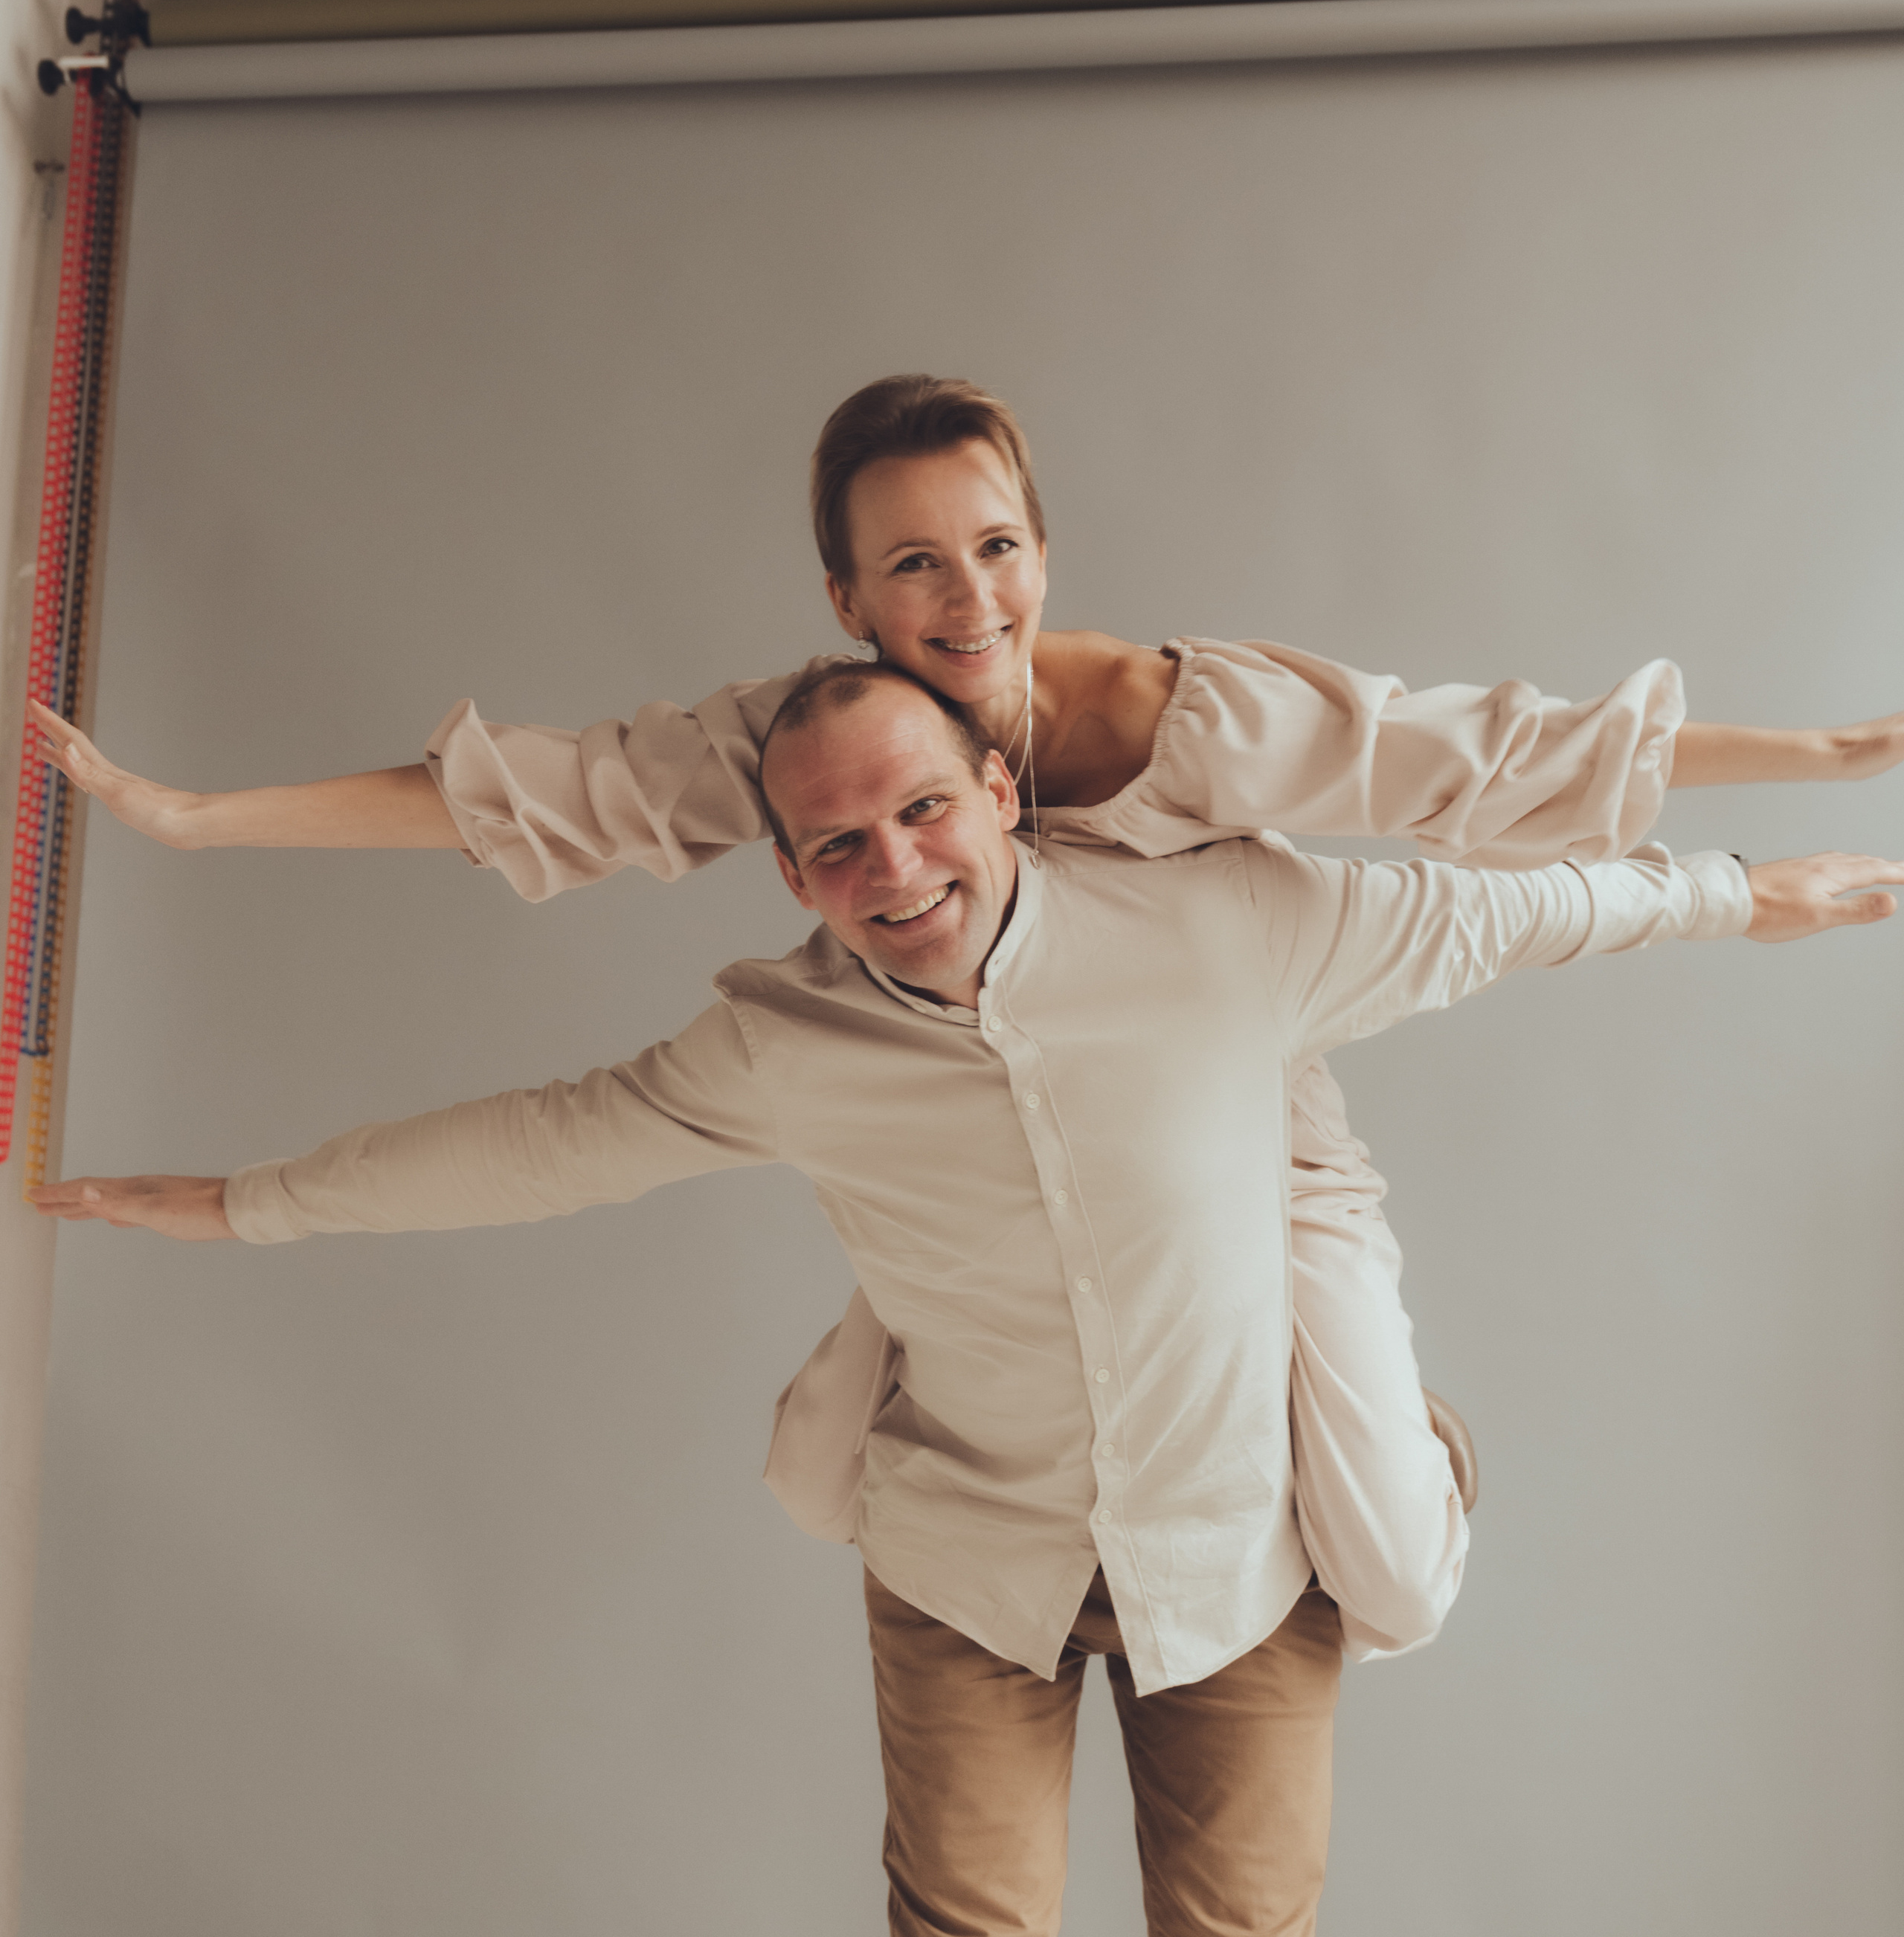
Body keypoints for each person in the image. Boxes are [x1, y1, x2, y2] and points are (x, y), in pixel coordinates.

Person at [31, 376, 1904, 1660]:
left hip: (1229, 1118)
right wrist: (193, 815)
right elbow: (520, 794)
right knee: (816, 1471)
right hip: (943, 1114)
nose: (962, 596)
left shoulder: (1193, 720)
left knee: (1401, 1581)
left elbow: (1493, 770)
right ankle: (936, 1331)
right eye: (911, 563)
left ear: (1041, 549)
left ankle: (1375, 1432)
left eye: (993, 546)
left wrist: (1817, 763)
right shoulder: (810, 744)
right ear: (843, 591)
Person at [35, 664, 1903, 1937]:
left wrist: (1750, 886)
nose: (892, 869)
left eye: (923, 812)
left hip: (1237, 1562)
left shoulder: (1226, 929)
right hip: (965, 1567)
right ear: (784, 867)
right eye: (836, 846)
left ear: (999, 787)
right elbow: (537, 1143)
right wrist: (244, 1205)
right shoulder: (779, 1042)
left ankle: (1418, 1452)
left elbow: (1500, 908)